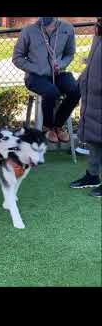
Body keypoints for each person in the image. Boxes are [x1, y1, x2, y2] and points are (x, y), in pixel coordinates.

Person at [13, 17, 81, 143]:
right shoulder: (28, 31)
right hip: (35, 76)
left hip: (58, 73)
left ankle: (58, 126)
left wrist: (60, 64)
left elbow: (70, 54)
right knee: (51, 92)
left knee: (75, 90)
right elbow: (17, 58)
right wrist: (37, 69)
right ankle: (47, 127)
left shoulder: (67, 29)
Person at [70, 18, 102, 197]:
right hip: (92, 99)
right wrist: (81, 82)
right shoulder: (97, 39)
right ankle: (92, 175)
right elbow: (91, 66)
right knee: (95, 139)